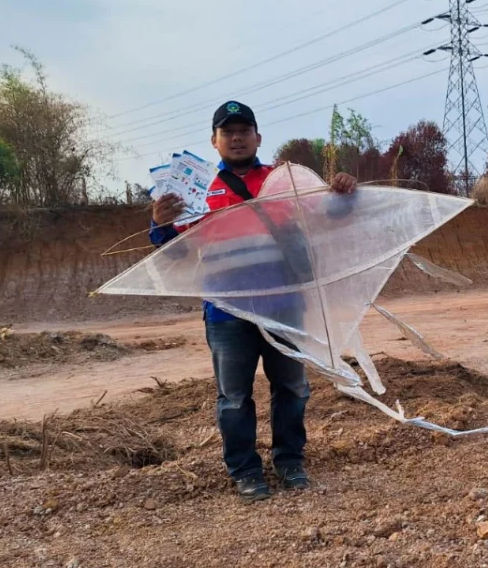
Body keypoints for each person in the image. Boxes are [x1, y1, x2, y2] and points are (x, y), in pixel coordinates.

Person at [150, 100, 357, 503]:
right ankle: (245, 471)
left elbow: (329, 218)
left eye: (244, 130)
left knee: (293, 388)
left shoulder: (284, 181)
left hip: (284, 303)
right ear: (214, 141)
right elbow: (172, 254)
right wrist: (159, 225)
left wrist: (344, 192)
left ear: (258, 137)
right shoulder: (196, 191)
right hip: (227, 311)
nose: (237, 137)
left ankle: (289, 462)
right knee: (234, 397)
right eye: (228, 132)